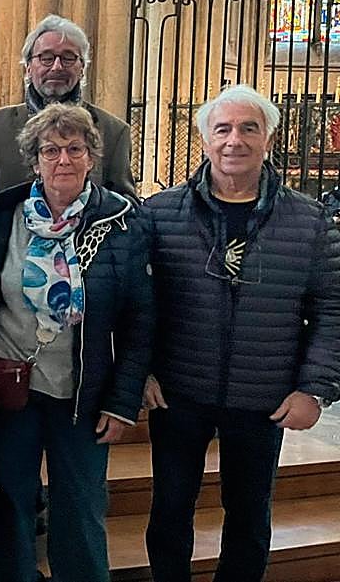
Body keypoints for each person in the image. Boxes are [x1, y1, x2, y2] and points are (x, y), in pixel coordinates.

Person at [142, 84, 340, 582]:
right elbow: (137, 305)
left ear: (268, 138)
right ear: (205, 140)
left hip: (263, 394)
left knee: (250, 517)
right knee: (169, 512)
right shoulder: (161, 214)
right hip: (178, 391)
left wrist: (314, 388)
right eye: (222, 129)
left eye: (248, 128)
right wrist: (140, 372)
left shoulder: (310, 221)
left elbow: (333, 309)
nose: (235, 140)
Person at [0, 104, 153, 582]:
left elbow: (140, 319)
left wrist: (123, 400)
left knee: (82, 509)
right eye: (50, 150)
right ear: (34, 160)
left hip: (84, 393)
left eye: (74, 149)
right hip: (10, 386)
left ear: (92, 157)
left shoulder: (122, 222)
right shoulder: (3, 215)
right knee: (9, 505)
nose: (63, 160)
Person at [0, 14, 136, 200]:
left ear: (82, 68)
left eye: (68, 58)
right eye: (46, 58)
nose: (57, 67)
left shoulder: (114, 131)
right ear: (28, 66)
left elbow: (126, 205)